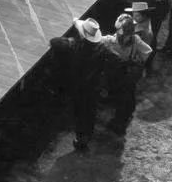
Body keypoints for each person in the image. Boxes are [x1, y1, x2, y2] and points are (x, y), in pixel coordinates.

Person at [49, 19, 115, 151]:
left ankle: (80, 137)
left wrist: (71, 38)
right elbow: (115, 59)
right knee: (90, 112)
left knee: (79, 112)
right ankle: (85, 137)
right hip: (93, 87)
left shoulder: (74, 46)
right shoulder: (102, 49)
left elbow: (54, 41)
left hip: (77, 87)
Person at [102, 13, 153, 137]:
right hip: (129, 75)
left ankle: (119, 124)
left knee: (122, 99)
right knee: (129, 96)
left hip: (119, 75)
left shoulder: (110, 40)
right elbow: (147, 51)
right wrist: (137, 62)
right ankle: (126, 116)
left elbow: (97, 39)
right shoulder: (135, 39)